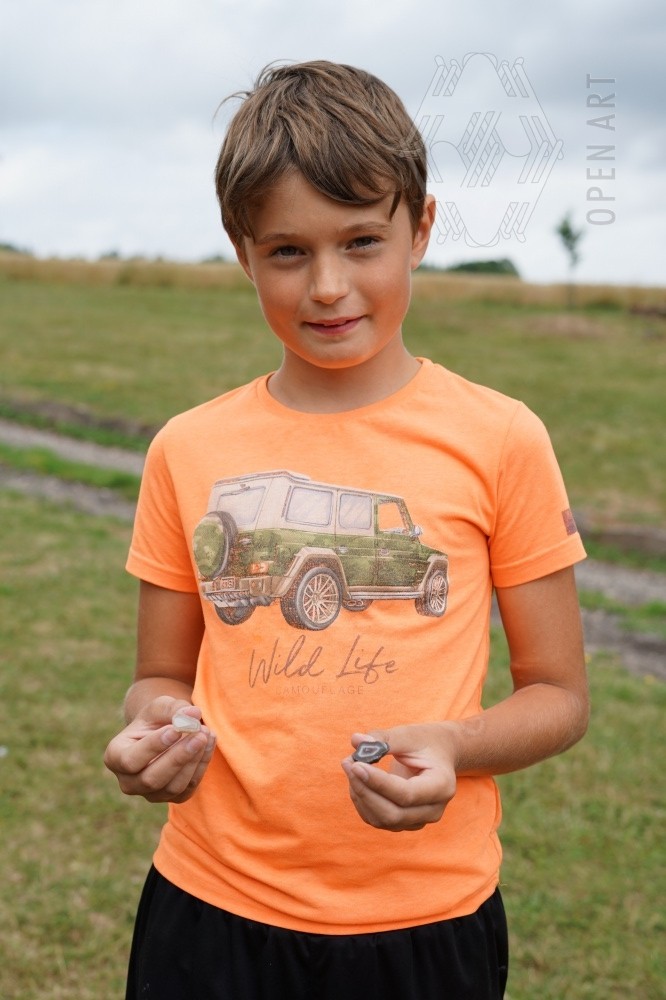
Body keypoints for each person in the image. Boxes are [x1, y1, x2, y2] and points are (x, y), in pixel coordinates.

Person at [104, 60, 589, 1000]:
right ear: (242, 251)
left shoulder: (502, 438)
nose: (328, 286)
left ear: (422, 229)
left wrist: (455, 746)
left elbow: (559, 695)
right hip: (210, 904)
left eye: (362, 240)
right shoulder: (187, 449)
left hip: (426, 917)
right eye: (288, 251)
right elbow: (160, 676)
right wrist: (155, 727)